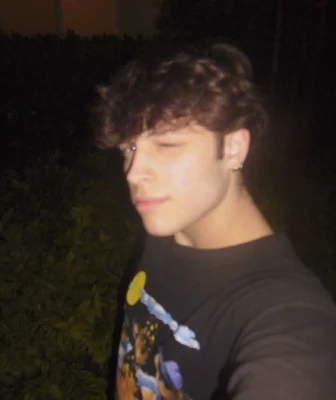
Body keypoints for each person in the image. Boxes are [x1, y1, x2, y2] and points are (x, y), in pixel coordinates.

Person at [92, 40, 336, 400]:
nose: (134, 171)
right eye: (129, 148)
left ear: (234, 148)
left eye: (167, 145)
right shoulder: (167, 231)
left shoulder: (289, 312)